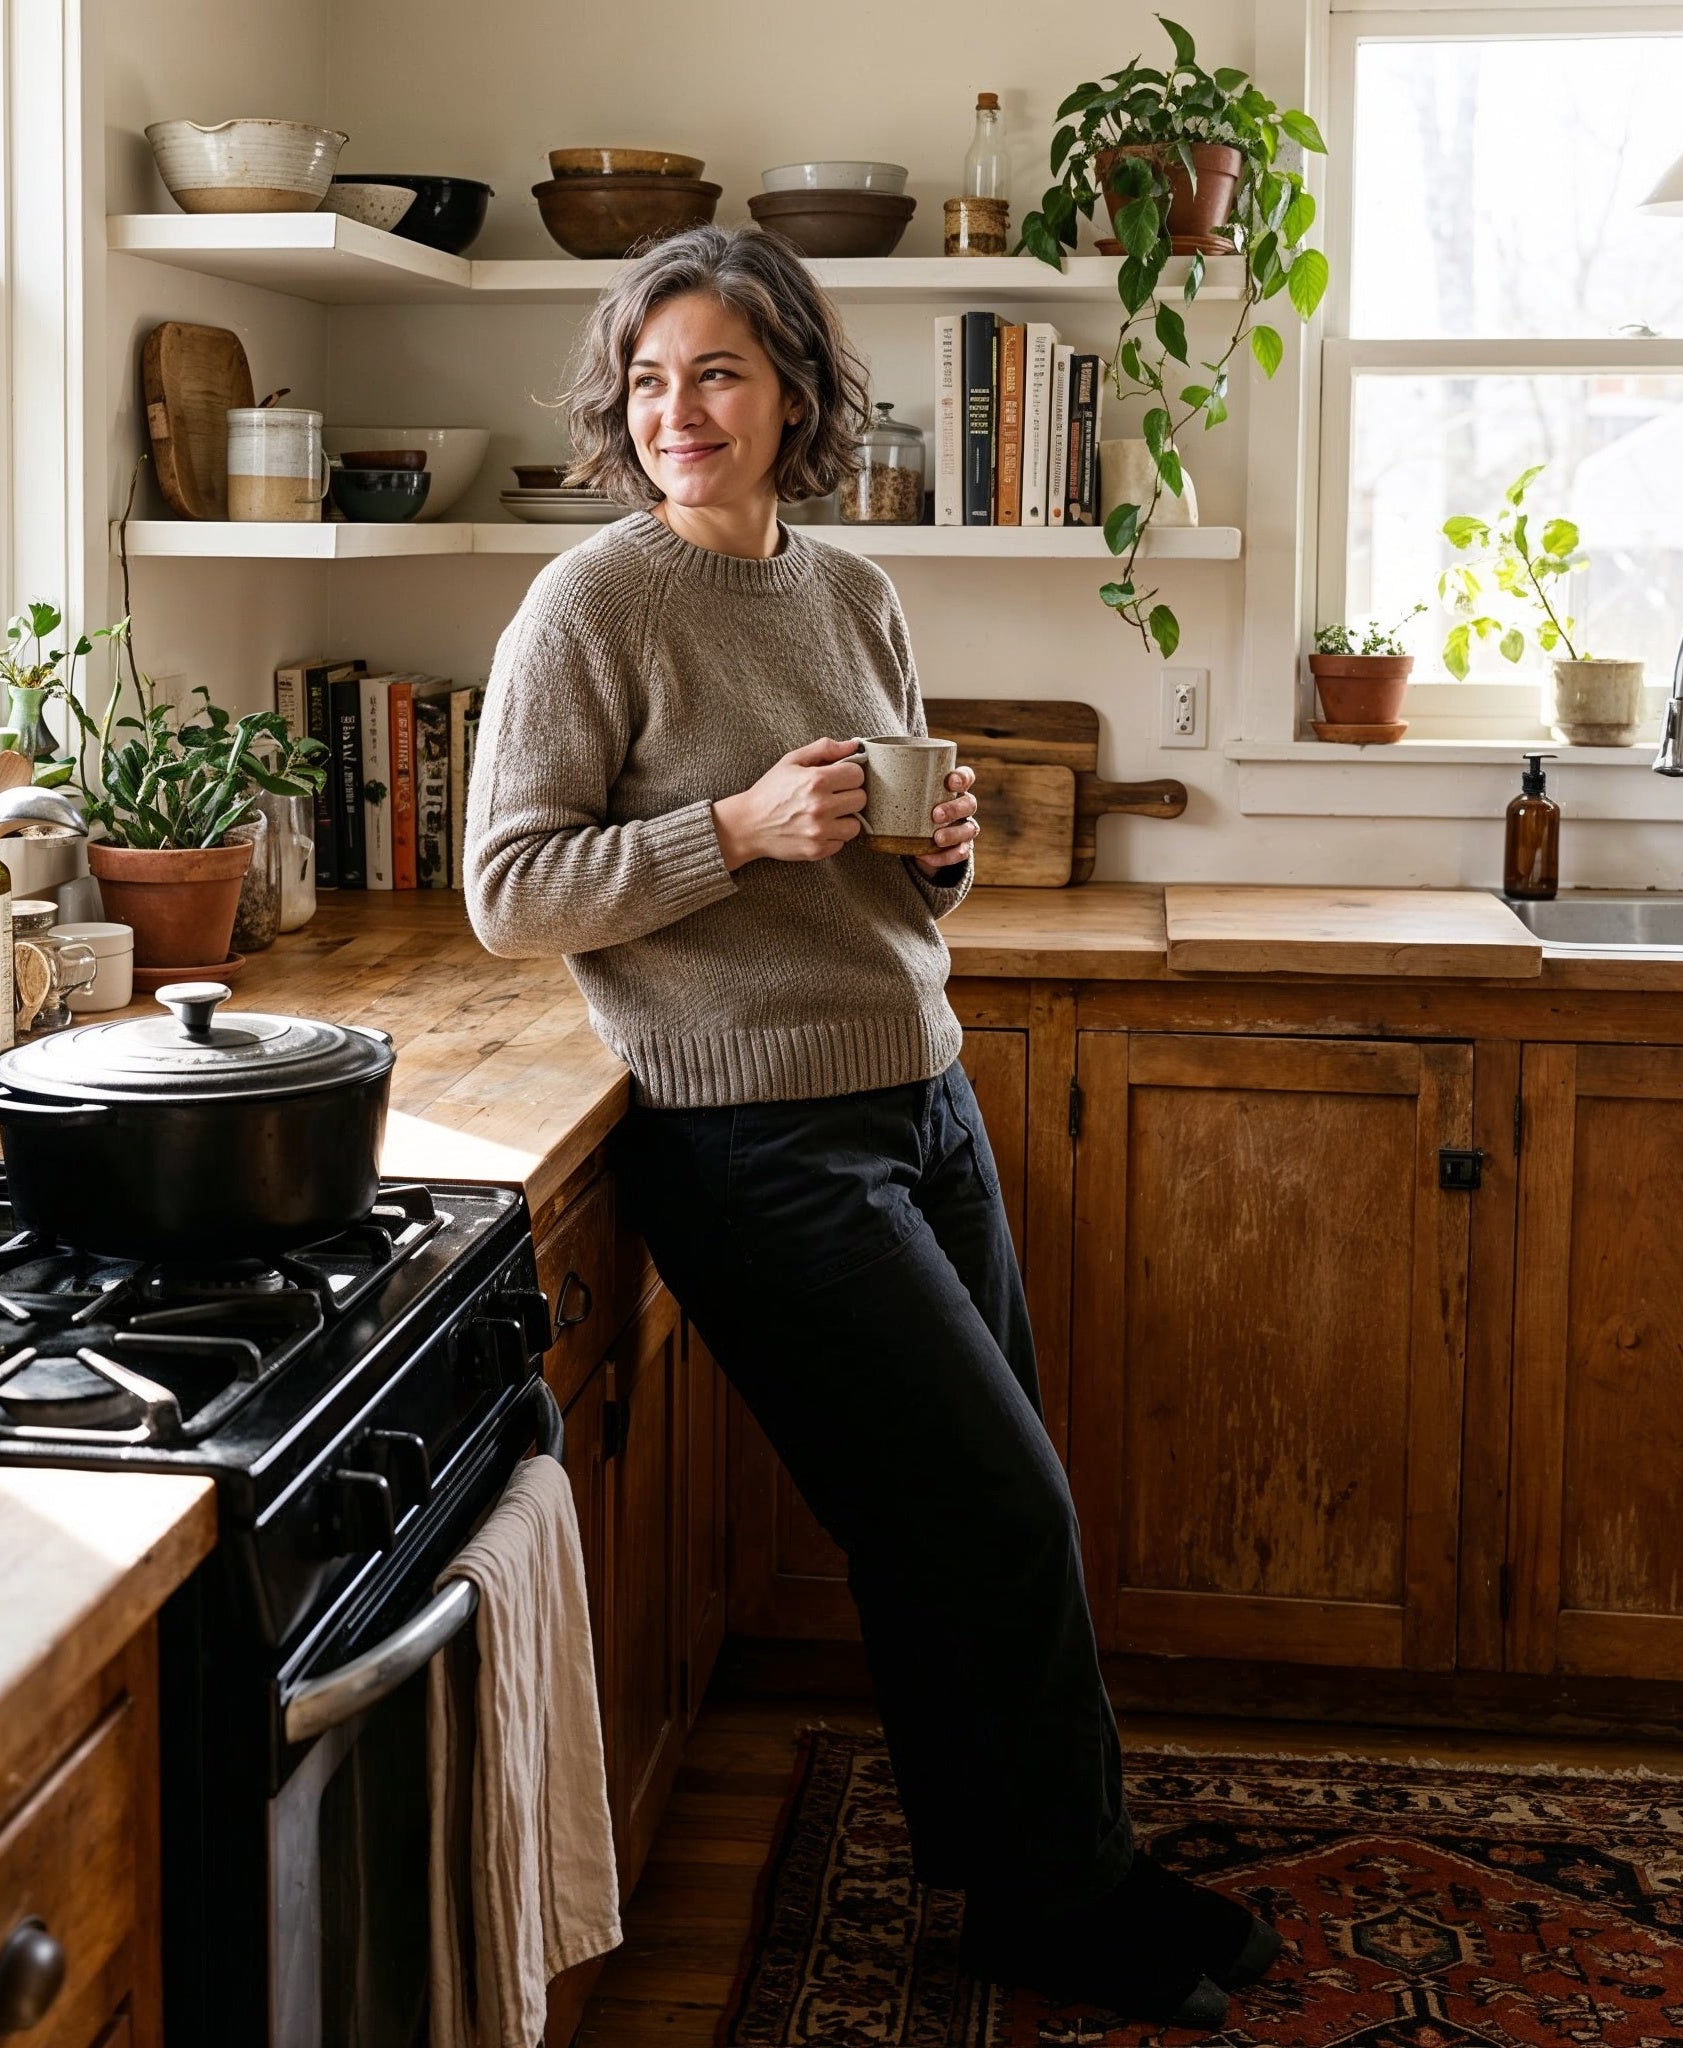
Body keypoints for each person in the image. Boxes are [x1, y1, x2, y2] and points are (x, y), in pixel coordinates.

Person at [463, 224, 1278, 2029]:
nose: (682, 410)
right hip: (754, 1144)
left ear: (796, 397)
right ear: (621, 401)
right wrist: (736, 831)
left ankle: (1011, 1883)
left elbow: (904, 902)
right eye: (653, 378)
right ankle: (1085, 1894)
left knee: (944, 1528)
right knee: (1005, 1512)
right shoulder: (591, 605)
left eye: (724, 373)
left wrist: (946, 849)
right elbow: (510, 892)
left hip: (920, 1095)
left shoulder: (849, 592)